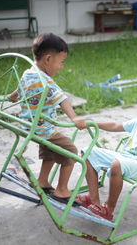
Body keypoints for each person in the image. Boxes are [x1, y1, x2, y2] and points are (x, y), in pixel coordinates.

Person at [8, 33, 86, 204]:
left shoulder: (28, 74)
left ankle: (42, 181)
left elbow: (17, 91)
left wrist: (11, 97)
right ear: (48, 59)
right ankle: (62, 189)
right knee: (71, 152)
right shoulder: (46, 82)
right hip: (44, 129)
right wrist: (74, 118)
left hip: (30, 127)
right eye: (61, 62)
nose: (62, 67)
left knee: (49, 152)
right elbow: (62, 98)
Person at [76, 91, 137, 220]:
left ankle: (108, 209)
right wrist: (93, 124)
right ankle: (94, 201)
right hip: (126, 157)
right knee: (87, 152)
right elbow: (116, 126)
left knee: (117, 164)